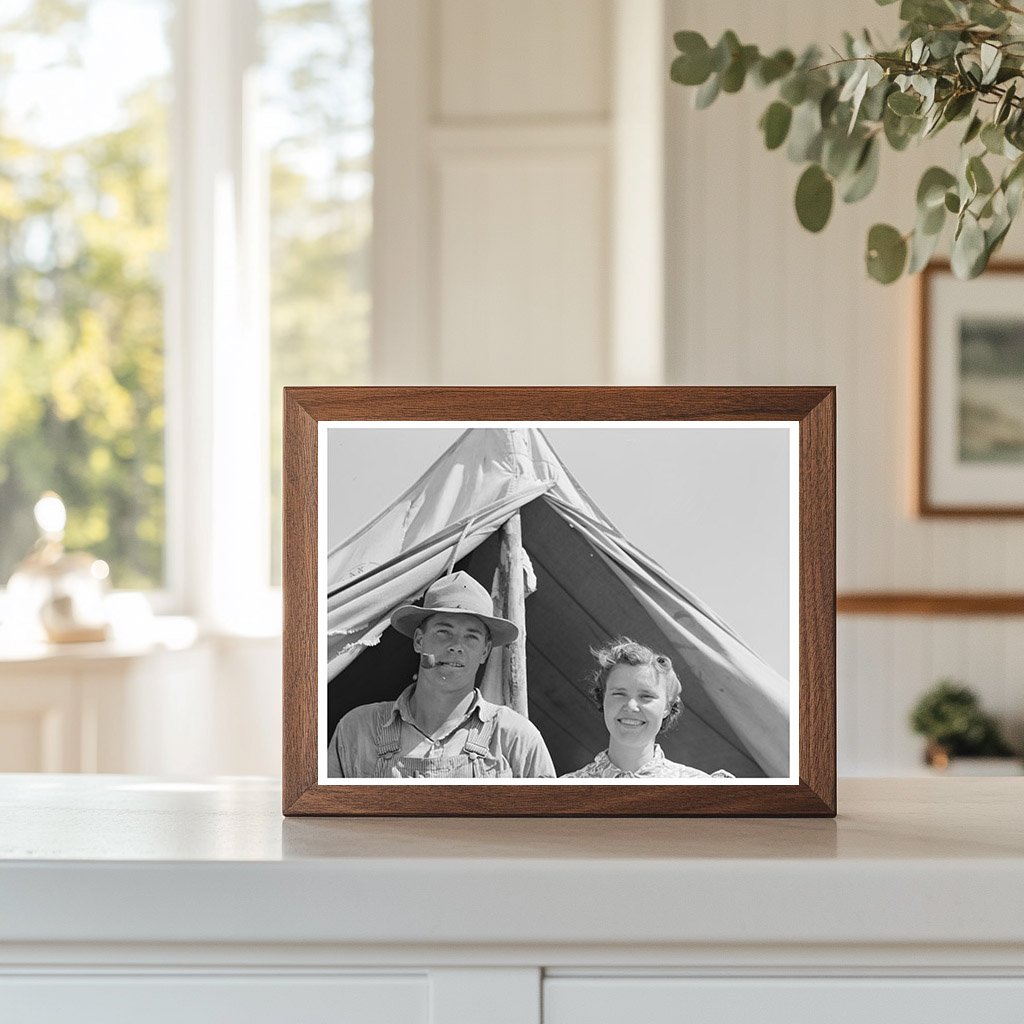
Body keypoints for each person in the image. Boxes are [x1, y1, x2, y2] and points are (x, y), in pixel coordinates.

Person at [327, 571, 555, 779]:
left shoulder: (514, 739)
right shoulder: (357, 731)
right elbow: (322, 821)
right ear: (419, 640)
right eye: (443, 632)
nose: (456, 646)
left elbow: (553, 823)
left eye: (471, 637)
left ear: (485, 651)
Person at [562, 638, 735, 779]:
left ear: (667, 707)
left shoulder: (700, 791)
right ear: (602, 698)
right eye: (619, 694)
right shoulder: (562, 794)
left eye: (646, 696)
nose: (631, 706)